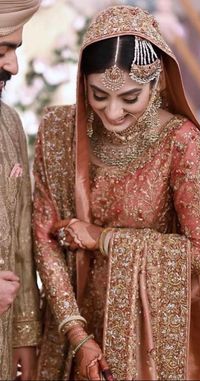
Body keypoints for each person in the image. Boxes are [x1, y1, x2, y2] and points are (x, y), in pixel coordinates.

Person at [33, 5, 200, 381]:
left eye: (130, 98)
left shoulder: (178, 142)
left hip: (145, 333)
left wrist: (102, 240)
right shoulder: (58, 130)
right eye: (98, 95)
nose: (112, 112)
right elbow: (44, 234)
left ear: (159, 83)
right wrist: (77, 334)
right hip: (70, 316)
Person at [0, 1, 41, 380]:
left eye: (14, 50)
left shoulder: (10, 124)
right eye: (2, 51)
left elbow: (21, 247)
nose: (12, 66)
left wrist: (25, 337)